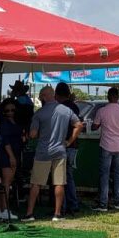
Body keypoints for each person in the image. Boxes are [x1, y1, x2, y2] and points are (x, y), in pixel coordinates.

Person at [22, 85, 81, 222]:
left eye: (40, 97)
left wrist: (29, 134)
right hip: (60, 150)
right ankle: (57, 214)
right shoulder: (66, 110)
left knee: (36, 183)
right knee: (59, 183)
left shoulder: (39, 113)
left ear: (44, 97)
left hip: (43, 152)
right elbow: (79, 125)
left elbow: (33, 134)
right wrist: (69, 141)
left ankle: (29, 214)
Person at [92, 87, 119, 212]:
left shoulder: (102, 111)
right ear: (117, 97)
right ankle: (117, 202)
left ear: (108, 96)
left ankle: (103, 203)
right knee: (117, 174)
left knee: (104, 175)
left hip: (106, 146)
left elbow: (94, 126)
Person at [55, 83, 83, 215]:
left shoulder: (60, 107)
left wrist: (68, 141)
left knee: (61, 178)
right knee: (68, 176)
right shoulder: (75, 107)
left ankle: (63, 206)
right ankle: (73, 203)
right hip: (72, 145)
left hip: (64, 144)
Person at [0, 98, 24, 220]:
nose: (10, 112)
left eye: (12, 110)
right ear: (3, 112)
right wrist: (11, 156)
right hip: (7, 154)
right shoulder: (4, 123)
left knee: (5, 183)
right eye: (7, 111)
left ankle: (0, 208)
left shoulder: (15, 122)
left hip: (14, 152)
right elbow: (6, 141)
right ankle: (5, 209)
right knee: (6, 183)